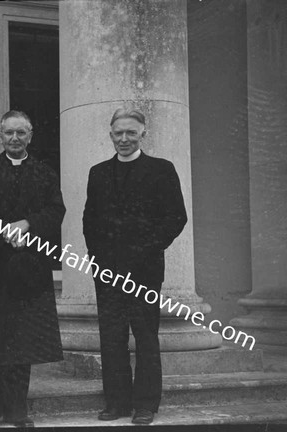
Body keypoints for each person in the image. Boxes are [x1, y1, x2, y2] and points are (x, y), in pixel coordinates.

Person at [82, 107, 187, 425]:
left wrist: (144, 251)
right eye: (118, 133)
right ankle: (117, 403)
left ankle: (145, 404)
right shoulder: (98, 172)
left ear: (143, 133)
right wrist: (98, 257)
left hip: (145, 269)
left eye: (131, 132)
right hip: (107, 270)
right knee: (111, 336)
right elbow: (90, 219)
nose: (124, 139)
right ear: (110, 134)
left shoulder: (161, 169)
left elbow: (175, 217)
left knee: (145, 334)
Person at [0, 110, 65, 428]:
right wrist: (5, 233)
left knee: (23, 341)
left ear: (30, 136)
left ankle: (18, 409)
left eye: (21, 133)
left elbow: (56, 210)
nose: (15, 139)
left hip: (29, 266)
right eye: (9, 133)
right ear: (0, 136)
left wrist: (27, 225)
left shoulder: (45, 174)